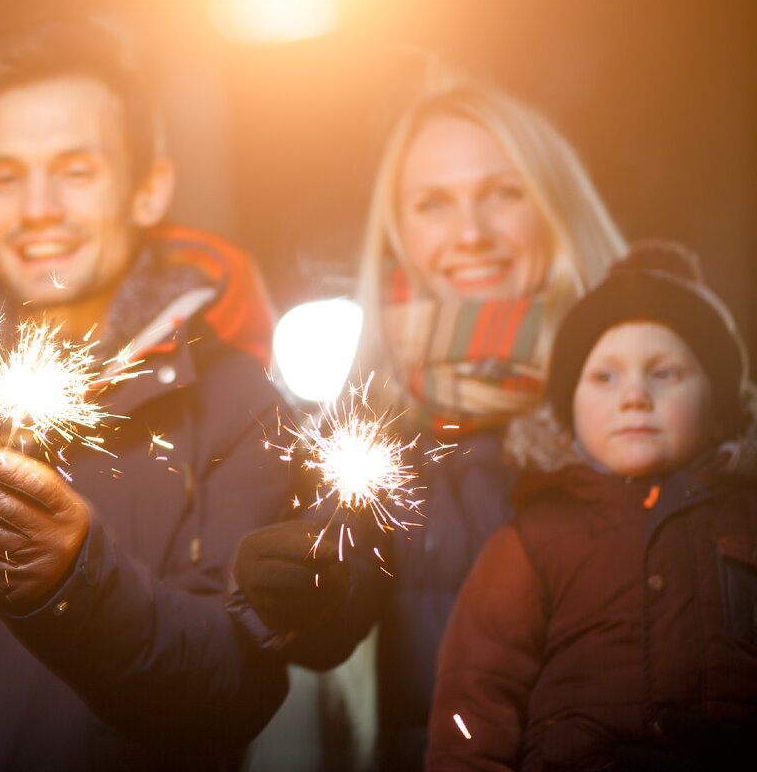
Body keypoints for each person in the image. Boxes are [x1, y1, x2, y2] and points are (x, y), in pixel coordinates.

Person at [0, 18, 293, 770]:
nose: (38, 207)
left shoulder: (235, 405)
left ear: (149, 189)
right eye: (6, 176)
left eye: (76, 170)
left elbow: (237, 684)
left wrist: (76, 580)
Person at [230, 74, 628, 770]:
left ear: (554, 202)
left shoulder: (663, 389)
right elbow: (341, 613)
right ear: (399, 232)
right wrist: (306, 601)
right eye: (433, 204)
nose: (470, 234)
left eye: (504, 193)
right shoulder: (371, 421)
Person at [426, 240, 757, 771]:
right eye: (605, 376)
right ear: (569, 414)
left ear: (717, 406)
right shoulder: (531, 539)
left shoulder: (747, 517)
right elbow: (479, 690)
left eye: (665, 372)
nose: (634, 396)